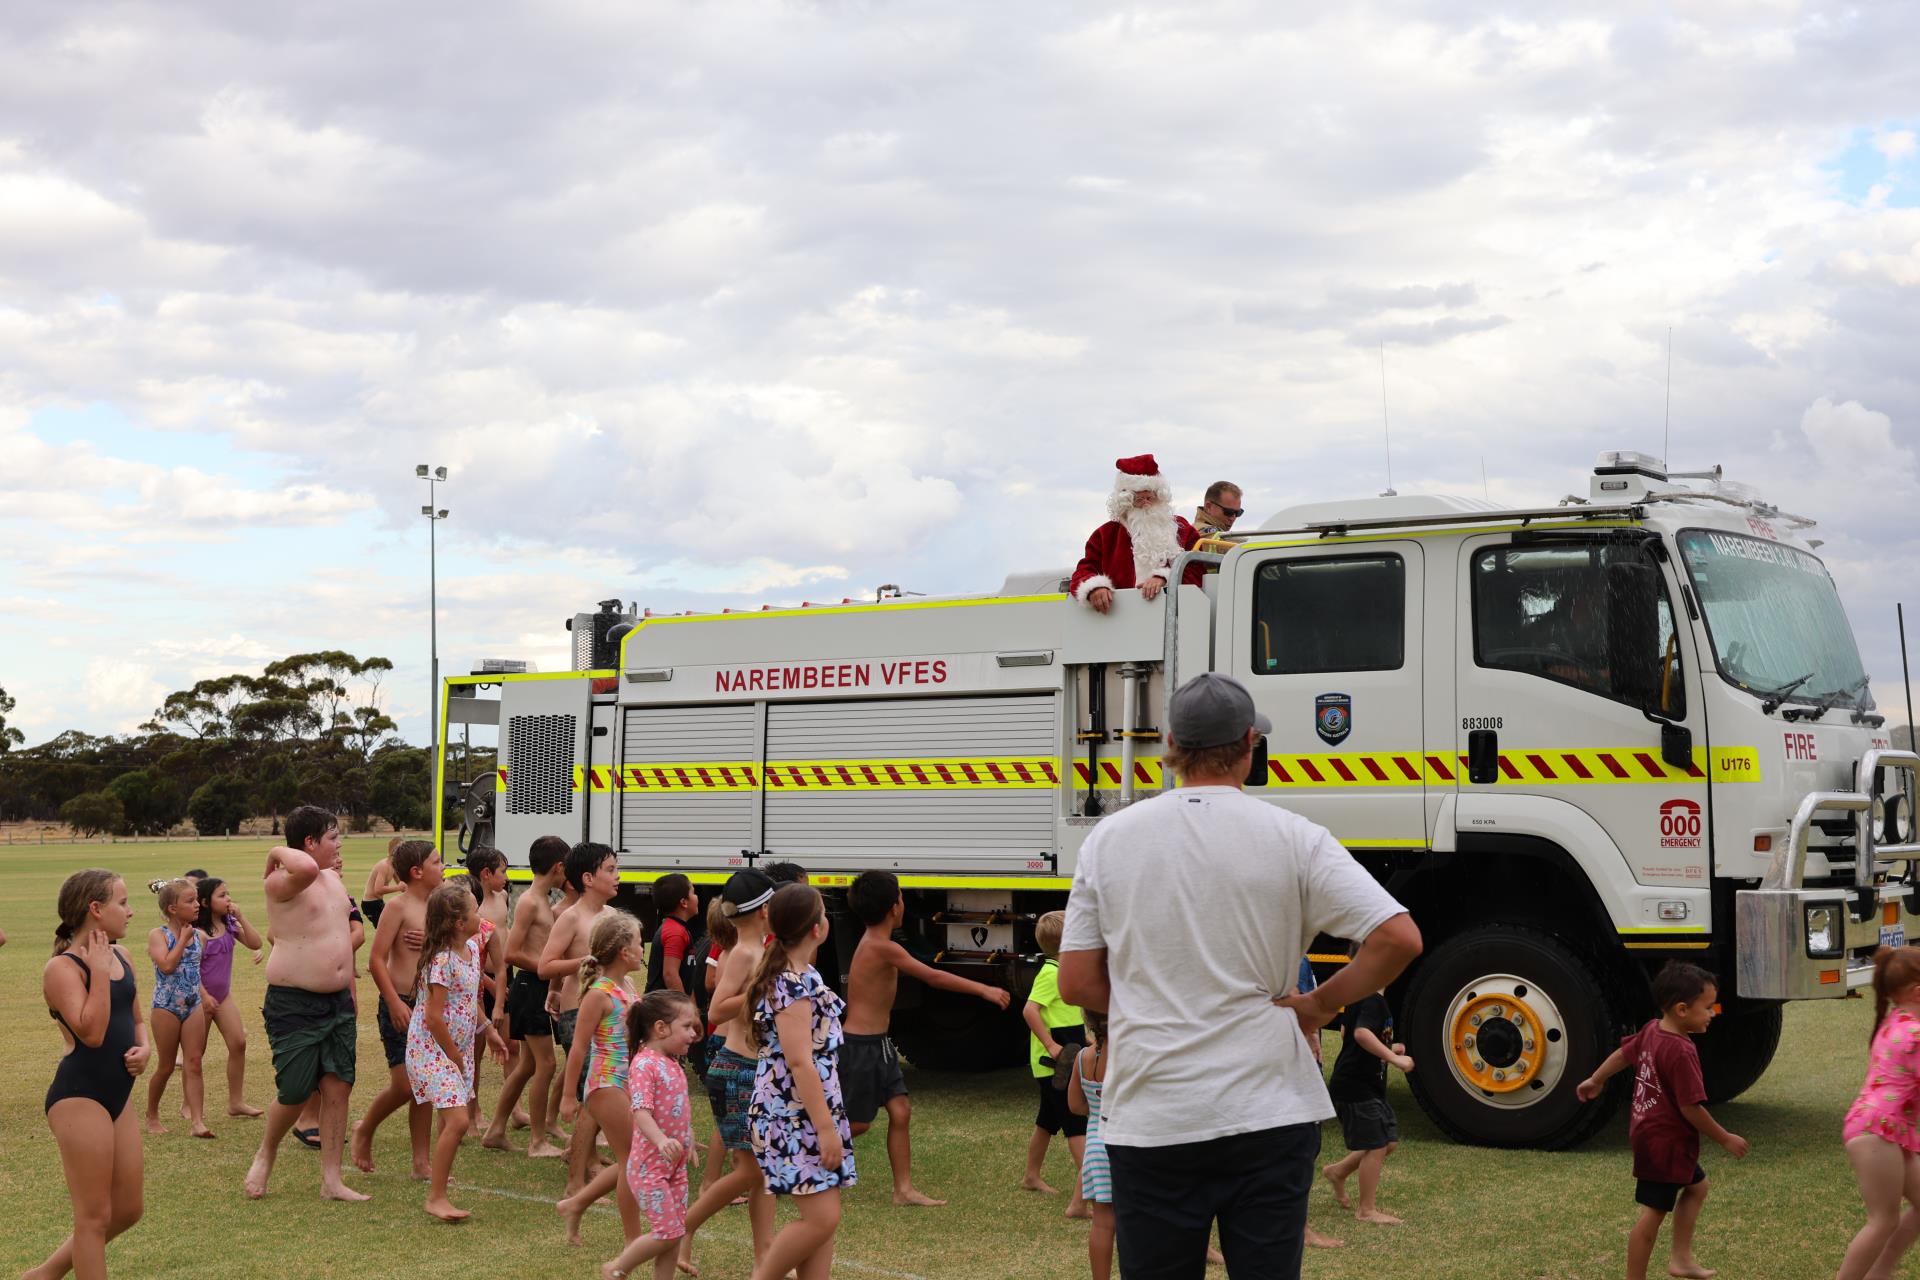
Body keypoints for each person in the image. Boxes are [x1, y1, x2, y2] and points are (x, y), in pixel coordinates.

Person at [1059, 672, 1421, 1280]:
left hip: (1154, 1113)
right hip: (1268, 1110)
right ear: (1250, 744)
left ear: (1170, 744)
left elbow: (1075, 982)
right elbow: (1398, 937)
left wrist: (1154, 1000)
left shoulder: (1109, 839)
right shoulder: (1295, 836)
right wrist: (1320, 1005)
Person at [845, 869, 1009, 1206]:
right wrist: (984, 989)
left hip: (879, 1043)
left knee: (901, 1111)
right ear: (894, 907)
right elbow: (933, 977)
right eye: (901, 897)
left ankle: (903, 1191)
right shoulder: (881, 947)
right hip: (861, 1046)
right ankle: (793, 1157)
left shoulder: (877, 943)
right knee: (858, 1124)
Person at [1576, 962, 1748, 1280]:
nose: (1712, 1014)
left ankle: (1681, 1259)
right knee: (1653, 1214)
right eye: (1708, 1007)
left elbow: (1623, 1055)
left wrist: (1596, 1079)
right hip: (1666, 1143)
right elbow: (1691, 1108)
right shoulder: (1681, 1051)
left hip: (1650, 1134)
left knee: (1697, 1187)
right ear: (1682, 1009)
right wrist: (1724, 1137)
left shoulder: (1653, 1029)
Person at [27, 869, 149, 1280]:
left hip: (118, 1094)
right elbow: (92, 1034)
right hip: (80, 1096)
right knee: (93, 1217)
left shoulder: (123, 956)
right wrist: (97, 970)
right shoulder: (61, 968)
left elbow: (136, 1019)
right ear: (96, 909)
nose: (130, 912)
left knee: (128, 1209)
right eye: (123, 903)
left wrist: (145, 1048)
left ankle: (43, 1275)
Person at [244, 805, 367, 1202]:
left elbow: (344, 933)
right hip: (294, 1003)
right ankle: (267, 1151)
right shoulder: (280, 882)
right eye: (333, 837)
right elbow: (306, 868)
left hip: (337, 1002)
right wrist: (275, 850)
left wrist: (349, 990)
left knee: (338, 1087)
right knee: (295, 1091)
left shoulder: (332, 878)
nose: (340, 844)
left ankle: (332, 1179)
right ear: (309, 842)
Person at [745, 883, 854, 1280]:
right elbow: (799, 1060)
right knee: (822, 1219)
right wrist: (825, 1129)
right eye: (823, 912)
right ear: (816, 929)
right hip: (793, 1115)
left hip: (808, 1109)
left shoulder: (804, 974)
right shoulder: (790, 983)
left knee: (823, 1222)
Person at [680, 869, 779, 1269]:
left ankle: (765, 1258)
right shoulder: (742, 954)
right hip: (737, 1070)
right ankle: (683, 1228)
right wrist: (760, 990)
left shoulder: (762, 951)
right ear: (765, 910)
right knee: (751, 1171)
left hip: (755, 1068)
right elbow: (717, 1010)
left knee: (762, 1171)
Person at [406, 881, 509, 1222]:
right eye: (475, 911)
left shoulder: (471, 951)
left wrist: (488, 1030)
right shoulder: (442, 961)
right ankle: (436, 1197)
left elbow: (466, 1001)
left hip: (455, 1049)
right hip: (433, 1049)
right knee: (459, 1120)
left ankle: (439, 1182)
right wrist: (452, 1055)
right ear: (458, 922)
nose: (482, 916)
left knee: (449, 1119)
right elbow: (433, 1017)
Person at [353, 838, 443, 1179]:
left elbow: (461, 941)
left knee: (425, 1087)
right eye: (437, 862)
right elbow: (376, 960)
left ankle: (421, 1163)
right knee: (405, 1085)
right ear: (417, 872)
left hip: (430, 1005)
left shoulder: (440, 905)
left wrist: (433, 940)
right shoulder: (397, 907)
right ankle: (365, 1128)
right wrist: (392, 1001)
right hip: (401, 1004)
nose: (443, 867)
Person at [601, 989, 705, 1280]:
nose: (693, 1034)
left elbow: (676, 1109)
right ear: (661, 1028)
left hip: (675, 1167)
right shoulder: (645, 1064)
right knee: (668, 1232)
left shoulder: (671, 1063)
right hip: (650, 1169)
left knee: (675, 1231)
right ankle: (617, 1268)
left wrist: (687, 1138)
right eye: (686, 1027)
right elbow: (641, 1112)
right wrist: (661, 1140)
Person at [557, 911, 646, 1245]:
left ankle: (576, 1204)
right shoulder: (599, 994)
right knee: (633, 1161)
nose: (642, 949)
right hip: (606, 1084)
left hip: (626, 1081)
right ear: (624, 952)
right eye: (639, 943)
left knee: (632, 1159)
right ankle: (633, 1241)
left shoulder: (628, 986)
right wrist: (569, 1096)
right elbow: (579, 1048)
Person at [540, 841, 623, 1197]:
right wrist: (585, 962)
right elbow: (546, 965)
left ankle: (583, 1154)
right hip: (579, 1012)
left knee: (603, 1090)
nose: (617, 876)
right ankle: (581, 1169)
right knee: (593, 1094)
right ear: (588, 878)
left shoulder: (612, 914)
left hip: (611, 1013)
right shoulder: (571, 917)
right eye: (610, 870)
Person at [1836, 946, 1920, 1280]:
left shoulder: (1896, 1021)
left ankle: (1879, 1273)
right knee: (1883, 1219)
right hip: (1876, 1130)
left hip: (1884, 1129)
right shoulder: (1913, 1034)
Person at [484, 834, 571, 1157]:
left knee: (527, 1067)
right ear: (558, 867)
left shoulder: (545, 900)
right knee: (546, 1065)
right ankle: (537, 1141)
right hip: (530, 987)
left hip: (538, 986)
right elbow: (512, 953)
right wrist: (548, 968)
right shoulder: (530, 901)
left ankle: (495, 1130)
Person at [1321, 985, 1413, 1225]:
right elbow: (1361, 1034)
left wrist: (1389, 1048)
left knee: (1388, 1142)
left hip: (1366, 1086)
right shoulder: (1373, 1001)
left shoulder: (1359, 997)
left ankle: (1338, 1171)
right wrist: (1394, 1058)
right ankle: (1366, 1210)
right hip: (1355, 1087)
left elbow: (1346, 1033)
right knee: (1376, 1145)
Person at [1069, 454, 1207, 614]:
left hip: (1173, 617)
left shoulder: (1182, 529)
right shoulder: (1106, 534)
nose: (1146, 504)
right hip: (1121, 618)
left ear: (1159, 497)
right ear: (1126, 501)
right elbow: (1083, 572)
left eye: (1150, 498)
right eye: (1139, 499)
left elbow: (1197, 571)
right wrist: (1095, 588)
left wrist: (1165, 578)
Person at [1022, 909, 1087, 1216]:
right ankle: (1089, 1192)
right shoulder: (1050, 974)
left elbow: (1070, 1014)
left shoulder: (1064, 971)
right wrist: (1051, 1045)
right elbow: (1030, 1010)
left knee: (1047, 1120)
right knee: (1076, 1123)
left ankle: (1031, 1176)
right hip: (1054, 1063)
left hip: (1067, 1056)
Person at [143, 877, 212, 1138]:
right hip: (166, 1007)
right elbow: (167, 966)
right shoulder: (158, 935)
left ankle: (197, 1122)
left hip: (193, 1006)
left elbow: (195, 972)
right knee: (166, 1066)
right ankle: (152, 1115)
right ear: (172, 908)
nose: (197, 905)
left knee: (194, 1062)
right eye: (190, 901)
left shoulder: (200, 936)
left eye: (196, 900)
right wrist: (183, 939)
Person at [195, 876, 264, 1119]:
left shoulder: (230, 923)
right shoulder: (196, 932)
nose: (228, 899)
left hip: (223, 998)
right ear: (205, 902)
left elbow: (255, 942)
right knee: (196, 1054)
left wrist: (241, 917)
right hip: (199, 1000)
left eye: (228, 894)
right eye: (222, 895)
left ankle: (236, 1102)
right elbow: (190, 970)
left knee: (238, 1043)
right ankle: (188, 1104)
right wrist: (203, 997)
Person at [462, 846, 511, 1132]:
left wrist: (499, 996)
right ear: (485, 873)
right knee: (473, 1052)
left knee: (508, 1043)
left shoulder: (502, 897)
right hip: (476, 983)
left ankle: (512, 1109)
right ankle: (472, 1111)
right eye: (502, 871)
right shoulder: (470, 907)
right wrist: (489, 984)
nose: (507, 877)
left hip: (497, 980)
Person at [362, 837, 402, 929]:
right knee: (388, 929)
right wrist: (399, 887)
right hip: (370, 904)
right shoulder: (384, 866)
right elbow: (378, 890)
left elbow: (401, 883)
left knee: (394, 927)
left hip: (378, 902)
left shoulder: (393, 865)